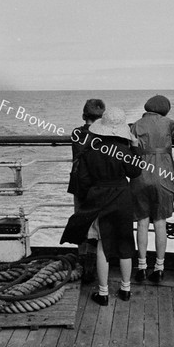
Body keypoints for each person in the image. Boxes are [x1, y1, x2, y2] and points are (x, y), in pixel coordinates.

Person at [61, 107, 142, 305]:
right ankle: (125, 290)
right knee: (125, 244)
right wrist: (135, 148)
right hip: (122, 196)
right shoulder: (124, 151)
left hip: (99, 197)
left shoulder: (90, 151)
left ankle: (103, 293)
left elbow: (85, 181)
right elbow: (134, 173)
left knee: (102, 246)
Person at [130, 95, 174, 283]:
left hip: (140, 175)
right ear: (165, 110)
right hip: (163, 175)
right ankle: (159, 268)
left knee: (141, 222)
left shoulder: (136, 125)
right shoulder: (168, 123)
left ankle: (141, 267)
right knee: (160, 223)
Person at [67, 99, 105, 282]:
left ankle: (81, 262)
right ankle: (92, 265)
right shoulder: (103, 136)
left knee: (80, 220)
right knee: (96, 225)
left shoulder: (76, 133)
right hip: (96, 184)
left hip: (78, 183)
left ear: (84, 116)